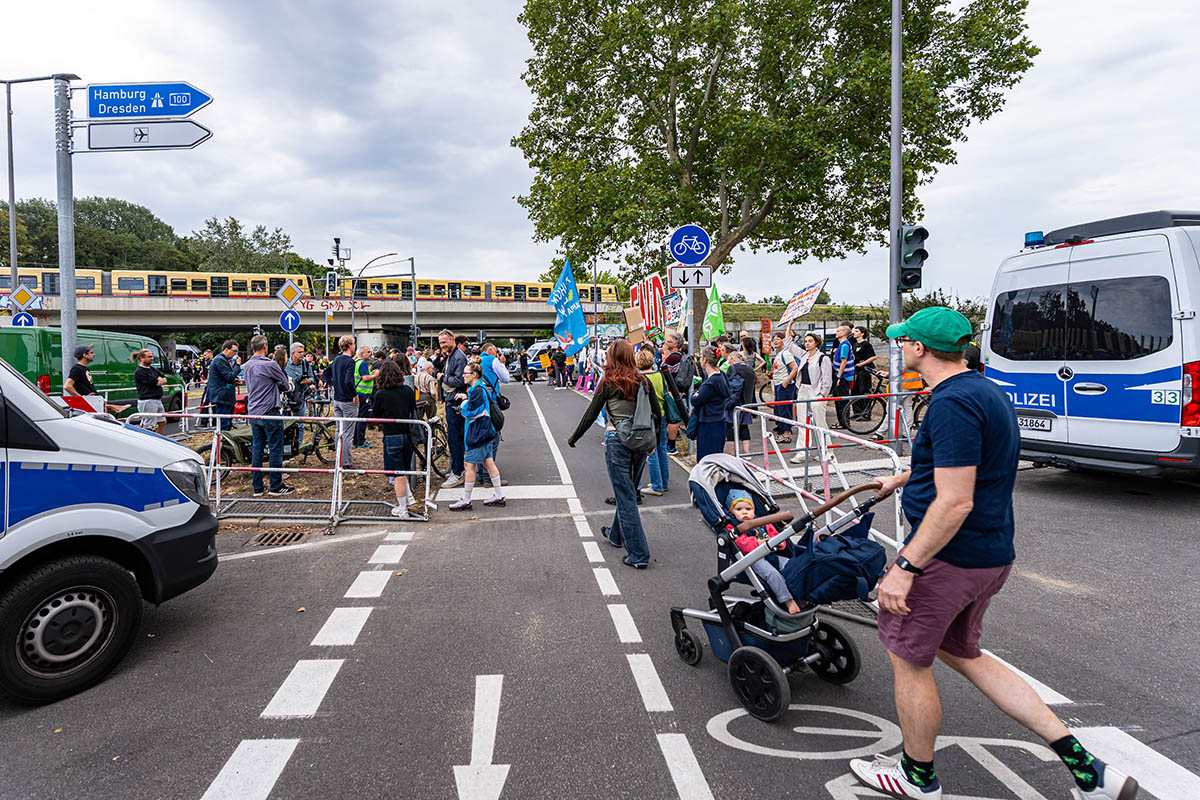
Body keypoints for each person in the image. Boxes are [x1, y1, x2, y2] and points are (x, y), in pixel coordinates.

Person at [849, 307, 1138, 800]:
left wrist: (905, 566)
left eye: (904, 342)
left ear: (920, 349)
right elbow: (966, 467)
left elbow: (956, 500)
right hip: (989, 555)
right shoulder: (985, 391)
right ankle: (1087, 769)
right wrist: (902, 478)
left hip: (948, 559)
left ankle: (917, 778)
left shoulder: (950, 404)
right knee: (966, 655)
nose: (899, 348)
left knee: (908, 660)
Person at [568, 339, 661, 569]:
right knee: (628, 490)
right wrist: (654, 441)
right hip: (641, 440)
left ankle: (639, 554)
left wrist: (574, 438)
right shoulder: (643, 381)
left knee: (625, 496)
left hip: (617, 440)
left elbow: (591, 414)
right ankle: (616, 535)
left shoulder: (608, 383)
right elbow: (657, 414)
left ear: (611, 357)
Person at [728, 490, 801, 614]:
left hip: (772, 555)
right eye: (739, 509)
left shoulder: (762, 521)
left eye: (748, 509)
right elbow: (741, 543)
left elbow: (774, 534)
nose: (744, 512)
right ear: (732, 512)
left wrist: (780, 543)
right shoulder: (733, 527)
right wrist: (757, 542)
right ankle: (788, 600)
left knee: (794, 564)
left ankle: (800, 591)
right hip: (753, 559)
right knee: (772, 574)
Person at [241, 334, 295, 497]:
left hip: (253, 412)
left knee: (257, 449)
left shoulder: (247, 365)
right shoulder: (270, 364)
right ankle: (276, 486)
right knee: (275, 449)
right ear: (265, 347)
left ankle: (258, 487)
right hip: (270, 411)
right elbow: (286, 385)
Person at [447, 361, 505, 511]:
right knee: (488, 463)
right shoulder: (479, 388)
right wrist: (467, 398)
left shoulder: (477, 390)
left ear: (474, 375)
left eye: (466, 373)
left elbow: (474, 411)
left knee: (469, 465)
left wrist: (463, 405)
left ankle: (466, 500)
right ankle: (498, 495)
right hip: (485, 432)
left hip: (477, 434)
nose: (463, 375)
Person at [373, 359, 419, 518]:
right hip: (407, 435)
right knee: (404, 470)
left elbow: (376, 416)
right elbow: (412, 408)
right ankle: (409, 498)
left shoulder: (380, 394)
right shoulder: (407, 390)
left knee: (397, 473)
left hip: (391, 436)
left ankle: (402, 508)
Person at [635, 346, 682, 496]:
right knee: (662, 449)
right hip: (662, 415)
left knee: (651, 452)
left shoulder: (641, 379)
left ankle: (656, 485)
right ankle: (664, 482)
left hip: (649, 418)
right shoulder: (660, 375)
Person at [791, 331, 833, 463]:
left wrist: (822, 394)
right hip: (803, 389)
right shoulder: (804, 355)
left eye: (810, 341)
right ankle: (801, 452)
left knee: (820, 422)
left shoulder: (823, 358)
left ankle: (827, 450)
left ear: (816, 343)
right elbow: (789, 344)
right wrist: (790, 325)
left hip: (816, 391)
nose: (807, 343)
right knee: (802, 422)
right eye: (805, 341)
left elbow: (827, 379)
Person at [438, 329, 468, 488]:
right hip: (452, 401)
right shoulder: (451, 356)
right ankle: (458, 469)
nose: (442, 345)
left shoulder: (458, 357)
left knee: (455, 438)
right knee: (454, 438)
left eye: (444, 342)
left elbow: (460, 380)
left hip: (456, 402)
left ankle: (458, 473)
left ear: (452, 340)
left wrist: (443, 378)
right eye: (440, 343)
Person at [690, 346, 730, 461]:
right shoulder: (721, 375)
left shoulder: (711, 383)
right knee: (716, 458)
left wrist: (695, 392)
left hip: (708, 424)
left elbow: (695, 399)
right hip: (719, 421)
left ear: (705, 360)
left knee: (706, 460)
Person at [324, 335, 358, 467]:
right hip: (347, 400)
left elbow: (326, 374)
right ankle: (346, 463)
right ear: (349, 346)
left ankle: (339, 459)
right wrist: (354, 395)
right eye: (354, 344)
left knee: (339, 431)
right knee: (348, 433)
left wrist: (333, 384)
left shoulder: (336, 359)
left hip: (337, 399)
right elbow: (349, 381)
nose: (354, 346)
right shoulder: (350, 362)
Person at [724, 349, 756, 456]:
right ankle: (746, 453)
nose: (729, 363)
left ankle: (732, 454)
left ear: (733, 359)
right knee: (744, 427)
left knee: (730, 427)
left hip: (734, 403)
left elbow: (728, 386)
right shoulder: (750, 369)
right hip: (747, 402)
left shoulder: (732, 369)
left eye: (730, 360)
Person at [204, 340, 240, 431]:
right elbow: (229, 376)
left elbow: (224, 377)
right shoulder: (220, 360)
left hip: (224, 396)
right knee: (224, 424)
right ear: (227, 349)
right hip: (222, 397)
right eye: (234, 351)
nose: (235, 354)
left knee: (226, 423)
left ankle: (224, 442)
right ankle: (222, 443)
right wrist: (237, 366)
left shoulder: (222, 360)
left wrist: (233, 382)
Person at [770, 332, 799, 444]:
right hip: (778, 384)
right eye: (774, 339)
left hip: (785, 385)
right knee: (780, 409)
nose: (775, 341)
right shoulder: (778, 354)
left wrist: (786, 381)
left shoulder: (786, 353)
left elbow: (794, 368)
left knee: (785, 409)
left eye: (778, 339)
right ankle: (783, 431)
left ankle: (787, 434)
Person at [132, 348, 168, 434]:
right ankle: (147, 442)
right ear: (141, 358)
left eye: (152, 356)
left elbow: (163, 378)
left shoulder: (151, 369)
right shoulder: (140, 371)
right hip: (147, 400)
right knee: (149, 426)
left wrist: (160, 380)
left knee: (162, 422)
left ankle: (159, 439)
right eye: (149, 357)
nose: (152, 358)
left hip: (157, 399)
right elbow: (155, 382)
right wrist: (160, 380)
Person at [353, 345, 380, 448]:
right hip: (363, 393)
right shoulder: (363, 363)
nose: (371, 354)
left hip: (358, 392)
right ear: (361, 354)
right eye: (368, 352)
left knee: (358, 417)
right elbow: (365, 378)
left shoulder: (356, 362)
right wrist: (375, 375)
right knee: (362, 418)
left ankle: (356, 440)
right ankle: (361, 441)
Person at [831, 322, 856, 427]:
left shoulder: (845, 345)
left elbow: (844, 362)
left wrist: (838, 377)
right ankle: (842, 421)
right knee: (838, 400)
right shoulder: (842, 344)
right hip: (841, 375)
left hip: (843, 376)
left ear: (845, 333)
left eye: (838, 331)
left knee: (842, 400)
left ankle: (844, 423)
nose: (836, 333)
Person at [850, 325, 878, 420]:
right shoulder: (854, 345)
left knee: (863, 390)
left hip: (864, 371)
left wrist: (862, 364)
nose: (854, 333)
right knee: (855, 391)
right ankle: (857, 413)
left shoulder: (866, 344)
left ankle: (866, 413)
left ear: (862, 333)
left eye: (857, 331)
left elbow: (873, 357)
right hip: (856, 371)